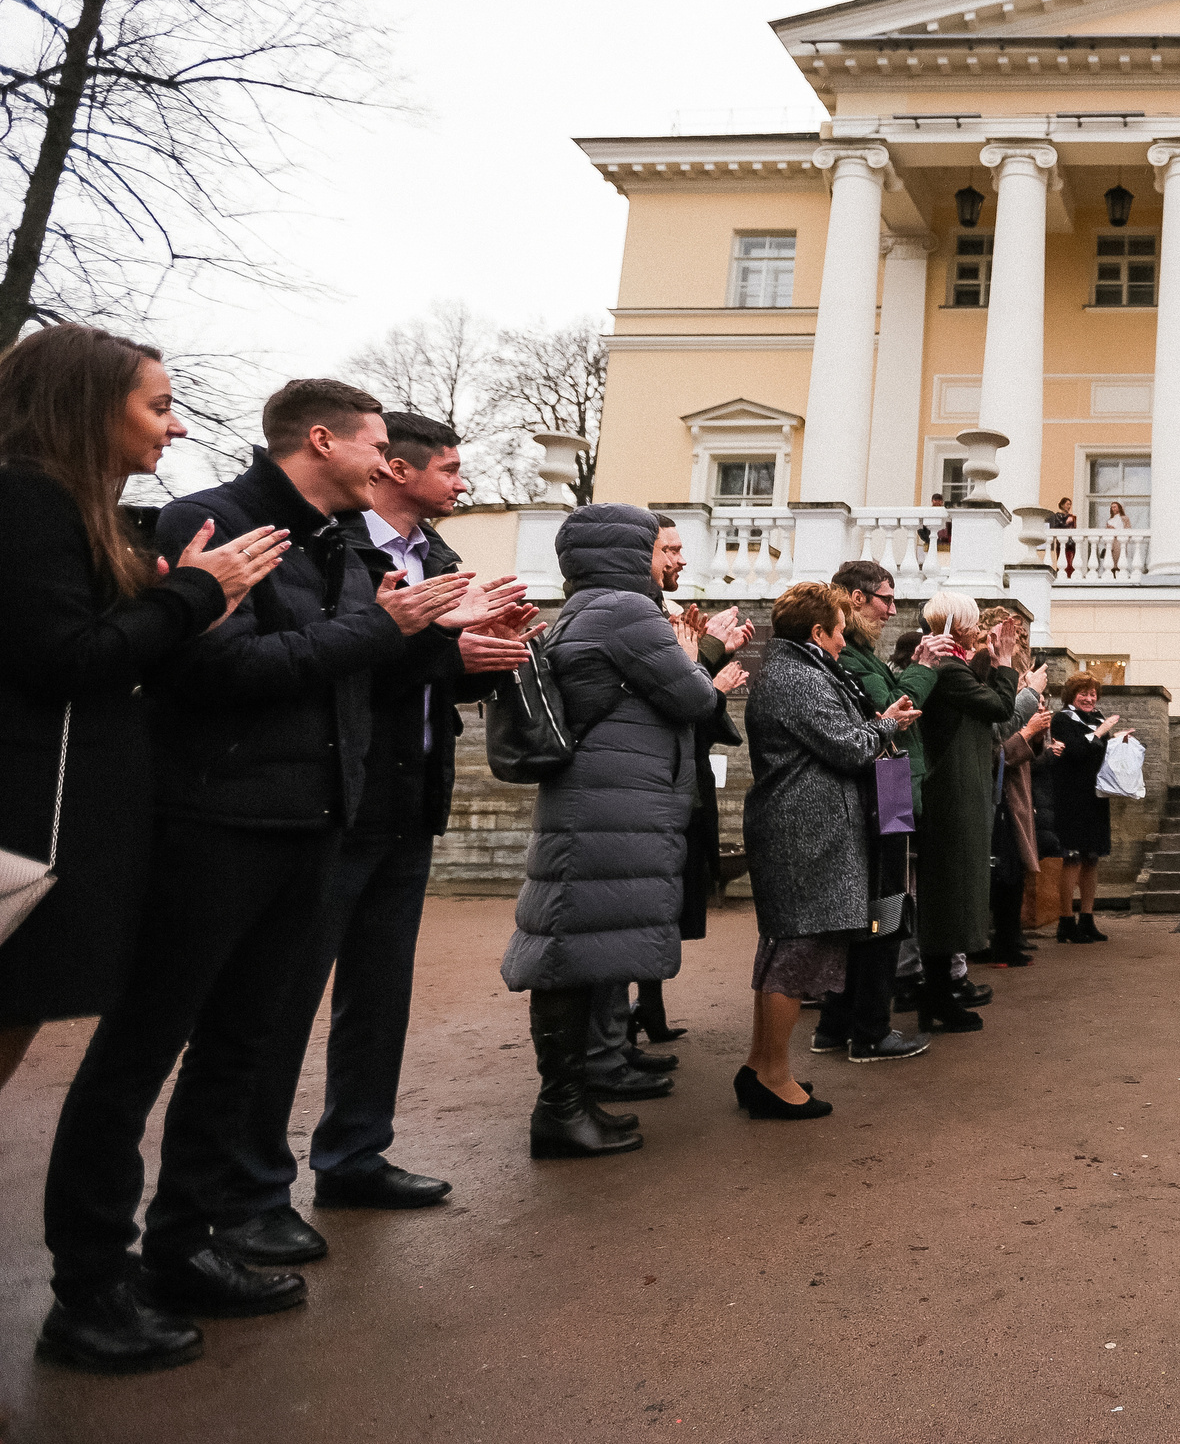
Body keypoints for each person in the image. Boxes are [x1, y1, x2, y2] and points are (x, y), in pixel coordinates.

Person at [42, 378, 486, 1363]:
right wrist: (390, 627)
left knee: (239, 1047)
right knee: (138, 1055)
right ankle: (90, 1283)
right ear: (321, 441)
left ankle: (187, 1244)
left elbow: (348, 676)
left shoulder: (333, 540)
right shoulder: (217, 520)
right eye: (377, 446)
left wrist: (439, 646)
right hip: (213, 822)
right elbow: (222, 674)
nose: (387, 464)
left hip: (310, 820)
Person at [223, 413, 531, 1237]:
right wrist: (442, 656)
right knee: (284, 997)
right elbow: (338, 667)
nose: (463, 483)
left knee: (379, 992)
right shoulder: (333, 549)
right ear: (396, 468)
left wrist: (480, 661)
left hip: (407, 798)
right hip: (339, 795)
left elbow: (428, 678)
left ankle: (355, 1155)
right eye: (454, 468)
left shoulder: (440, 560)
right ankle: (252, 1182)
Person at [0, 329, 287, 1111]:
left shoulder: (68, 505)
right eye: (159, 406)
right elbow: (68, 659)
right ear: (89, 406)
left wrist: (177, 605)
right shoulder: (27, 496)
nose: (178, 425)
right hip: (29, 832)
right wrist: (193, 594)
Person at [499, 504, 722, 1160]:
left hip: (600, 799)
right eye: (658, 548)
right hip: (607, 803)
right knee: (568, 955)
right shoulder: (626, 611)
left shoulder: (585, 608)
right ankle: (561, 1109)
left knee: (579, 948)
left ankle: (577, 1097)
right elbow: (694, 698)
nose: (669, 560)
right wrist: (692, 658)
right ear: (627, 552)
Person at [736, 582, 918, 1121]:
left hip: (806, 828)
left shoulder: (796, 669)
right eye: (840, 632)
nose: (844, 642)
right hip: (807, 833)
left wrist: (880, 724)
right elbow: (848, 746)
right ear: (818, 632)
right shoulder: (799, 676)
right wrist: (887, 725)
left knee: (783, 951)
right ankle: (772, 1075)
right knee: (796, 954)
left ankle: (761, 1067)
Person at [811, 559, 935, 1063]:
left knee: (871, 913)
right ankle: (869, 1030)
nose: (892, 608)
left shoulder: (862, 654)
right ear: (856, 599)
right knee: (883, 912)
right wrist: (924, 671)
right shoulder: (853, 660)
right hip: (883, 791)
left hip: (890, 789)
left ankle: (836, 1026)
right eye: (886, 597)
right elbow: (894, 714)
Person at [641, 517, 749, 1047]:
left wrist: (713, 659)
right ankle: (628, 1024)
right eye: (671, 549)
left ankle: (649, 1011)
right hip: (655, 794)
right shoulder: (635, 619)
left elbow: (692, 709)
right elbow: (675, 700)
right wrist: (708, 661)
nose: (682, 559)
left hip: (682, 787)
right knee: (643, 910)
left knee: (664, 907)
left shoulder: (662, 616)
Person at [911, 590, 1016, 1030]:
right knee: (947, 897)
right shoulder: (949, 669)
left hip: (960, 792)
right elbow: (998, 707)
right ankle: (937, 1001)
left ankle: (943, 994)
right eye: (972, 622)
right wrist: (1005, 661)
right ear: (957, 624)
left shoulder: (954, 665)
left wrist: (989, 660)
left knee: (956, 894)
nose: (978, 629)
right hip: (951, 796)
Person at [987, 613, 1053, 967]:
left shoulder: (1021, 679)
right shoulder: (995, 680)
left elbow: (1031, 749)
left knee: (1014, 870)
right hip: (1002, 791)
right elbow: (996, 744)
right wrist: (1028, 730)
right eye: (1013, 636)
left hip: (1020, 787)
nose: (1019, 642)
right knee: (1004, 870)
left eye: (1023, 636)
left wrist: (1039, 731)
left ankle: (1011, 937)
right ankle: (1001, 943)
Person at [1048, 672, 1124, 942]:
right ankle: (1066, 921)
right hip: (1071, 796)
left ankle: (1087, 919)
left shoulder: (1098, 718)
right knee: (1073, 857)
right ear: (1071, 695)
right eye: (1084, 693)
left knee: (1093, 856)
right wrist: (1101, 733)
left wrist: (1119, 742)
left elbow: (1103, 754)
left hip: (1096, 796)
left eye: (1093, 694)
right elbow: (1076, 751)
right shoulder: (1062, 719)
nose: (1090, 698)